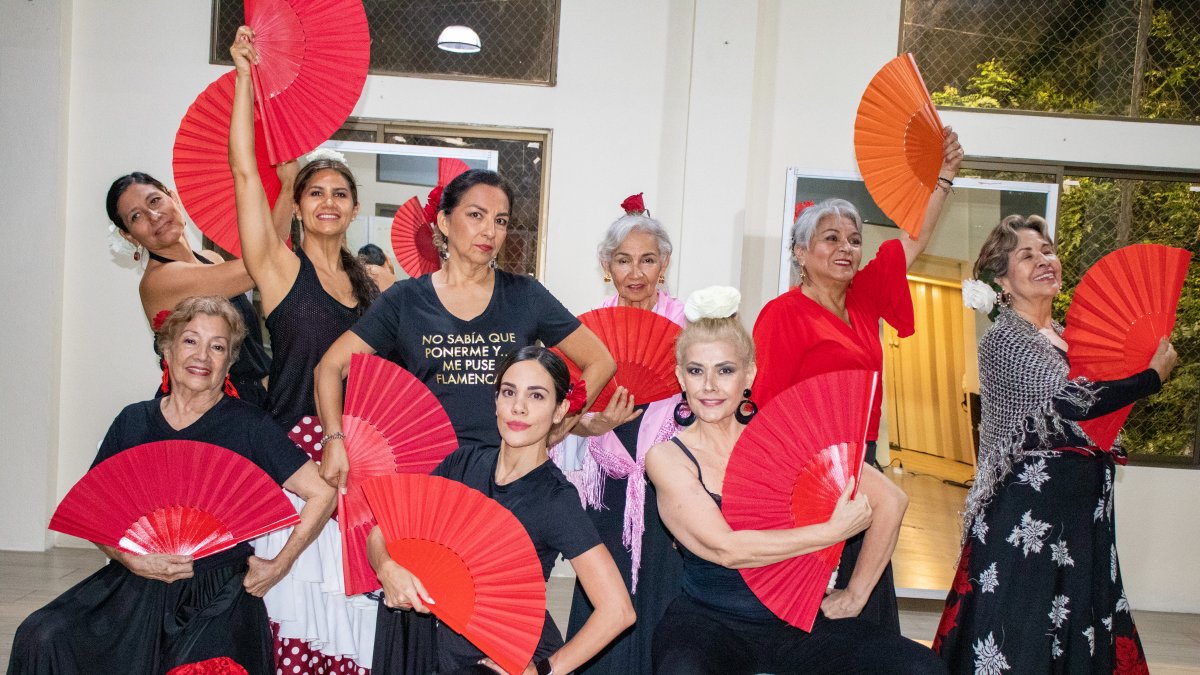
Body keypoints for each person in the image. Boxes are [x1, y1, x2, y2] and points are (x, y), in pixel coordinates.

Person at [8, 296, 334, 675]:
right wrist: (129, 558)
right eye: (190, 341)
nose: (203, 356)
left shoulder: (250, 425)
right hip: (137, 577)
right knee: (42, 635)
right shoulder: (132, 422)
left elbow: (322, 492)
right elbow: (94, 514)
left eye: (218, 347)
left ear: (229, 362)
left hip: (218, 592)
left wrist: (281, 564)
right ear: (167, 348)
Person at [645, 288, 946, 674]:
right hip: (709, 623)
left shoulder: (788, 436)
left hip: (799, 623)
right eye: (696, 370)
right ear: (680, 377)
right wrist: (830, 532)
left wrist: (855, 595)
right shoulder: (667, 457)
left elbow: (891, 500)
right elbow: (727, 550)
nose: (709, 386)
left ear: (749, 373)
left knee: (921, 669)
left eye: (725, 370)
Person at [934, 216, 1173, 673]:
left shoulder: (1068, 337)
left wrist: (1133, 373)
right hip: (1027, 518)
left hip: (1080, 516)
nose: (1045, 260)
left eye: (1047, 251)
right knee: (1019, 626)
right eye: (1028, 255)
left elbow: (1102, 415)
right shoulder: (1004, 338)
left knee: (1075, 622)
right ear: (1001, 278)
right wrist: (1149, 379)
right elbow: (1072, 401)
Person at [751, 128, 963, 632]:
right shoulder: (781, 314)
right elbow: (767, 404)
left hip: (859, 454)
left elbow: (914, 239)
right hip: (809, 460)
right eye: (831, 238)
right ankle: (846, 607)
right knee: (823, 574)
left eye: (853, 240)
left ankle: (859, 616)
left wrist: (944, 178)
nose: (846, 247)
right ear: (800, 253)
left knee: (865, 561)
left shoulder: (865, 298)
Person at [228, 27, 380, 673]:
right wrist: (243, 76)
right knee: (296, 601)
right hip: (294, 456)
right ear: (297, 202)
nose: (326, 201)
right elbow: (242, 169)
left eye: (339, 193)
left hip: (361, 454)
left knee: (353, 612)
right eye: (314, 191)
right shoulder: (279, 270)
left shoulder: (377, 288)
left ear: (353, 208)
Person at [313, 168, 616, 488]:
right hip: (428, 473)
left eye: (500, 221)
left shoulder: (524, 295)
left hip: (510, 473)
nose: (490, 231)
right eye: (476, 215)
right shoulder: (405, 300)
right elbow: (329, 367)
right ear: (444, 222)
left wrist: (561, 426)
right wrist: (333, 440)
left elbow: (600, 361)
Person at [368, 346, 635, 674]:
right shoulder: (462, 463)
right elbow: (382, 531)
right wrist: (386, 567)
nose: (518, 407)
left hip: (498, 657)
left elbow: (618, 610)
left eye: (536, 396)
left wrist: (545, 671)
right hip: (428, 640)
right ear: (496, 400)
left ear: (560, 409)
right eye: (509, 392)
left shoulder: (555, 498)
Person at [551, 199, 685, 675]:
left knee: (664, 592)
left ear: (664, 264)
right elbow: (562, 414)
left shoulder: (688, 328)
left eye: (647, 259)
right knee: (603, 590)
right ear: (606, 266)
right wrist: (589, 423)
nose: (636, 271)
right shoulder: (585, 332)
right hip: (605, 481)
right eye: (623, 260)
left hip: (669, 481)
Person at [105, 171, 294, 407]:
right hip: (203, 413)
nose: (153, 216)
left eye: (154, 201)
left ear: (172, 197)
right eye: (136, 217)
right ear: (129, 236)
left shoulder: (211, 259)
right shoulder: (160, 281)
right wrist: (288, 187)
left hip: (250, 404)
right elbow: (263, 263)